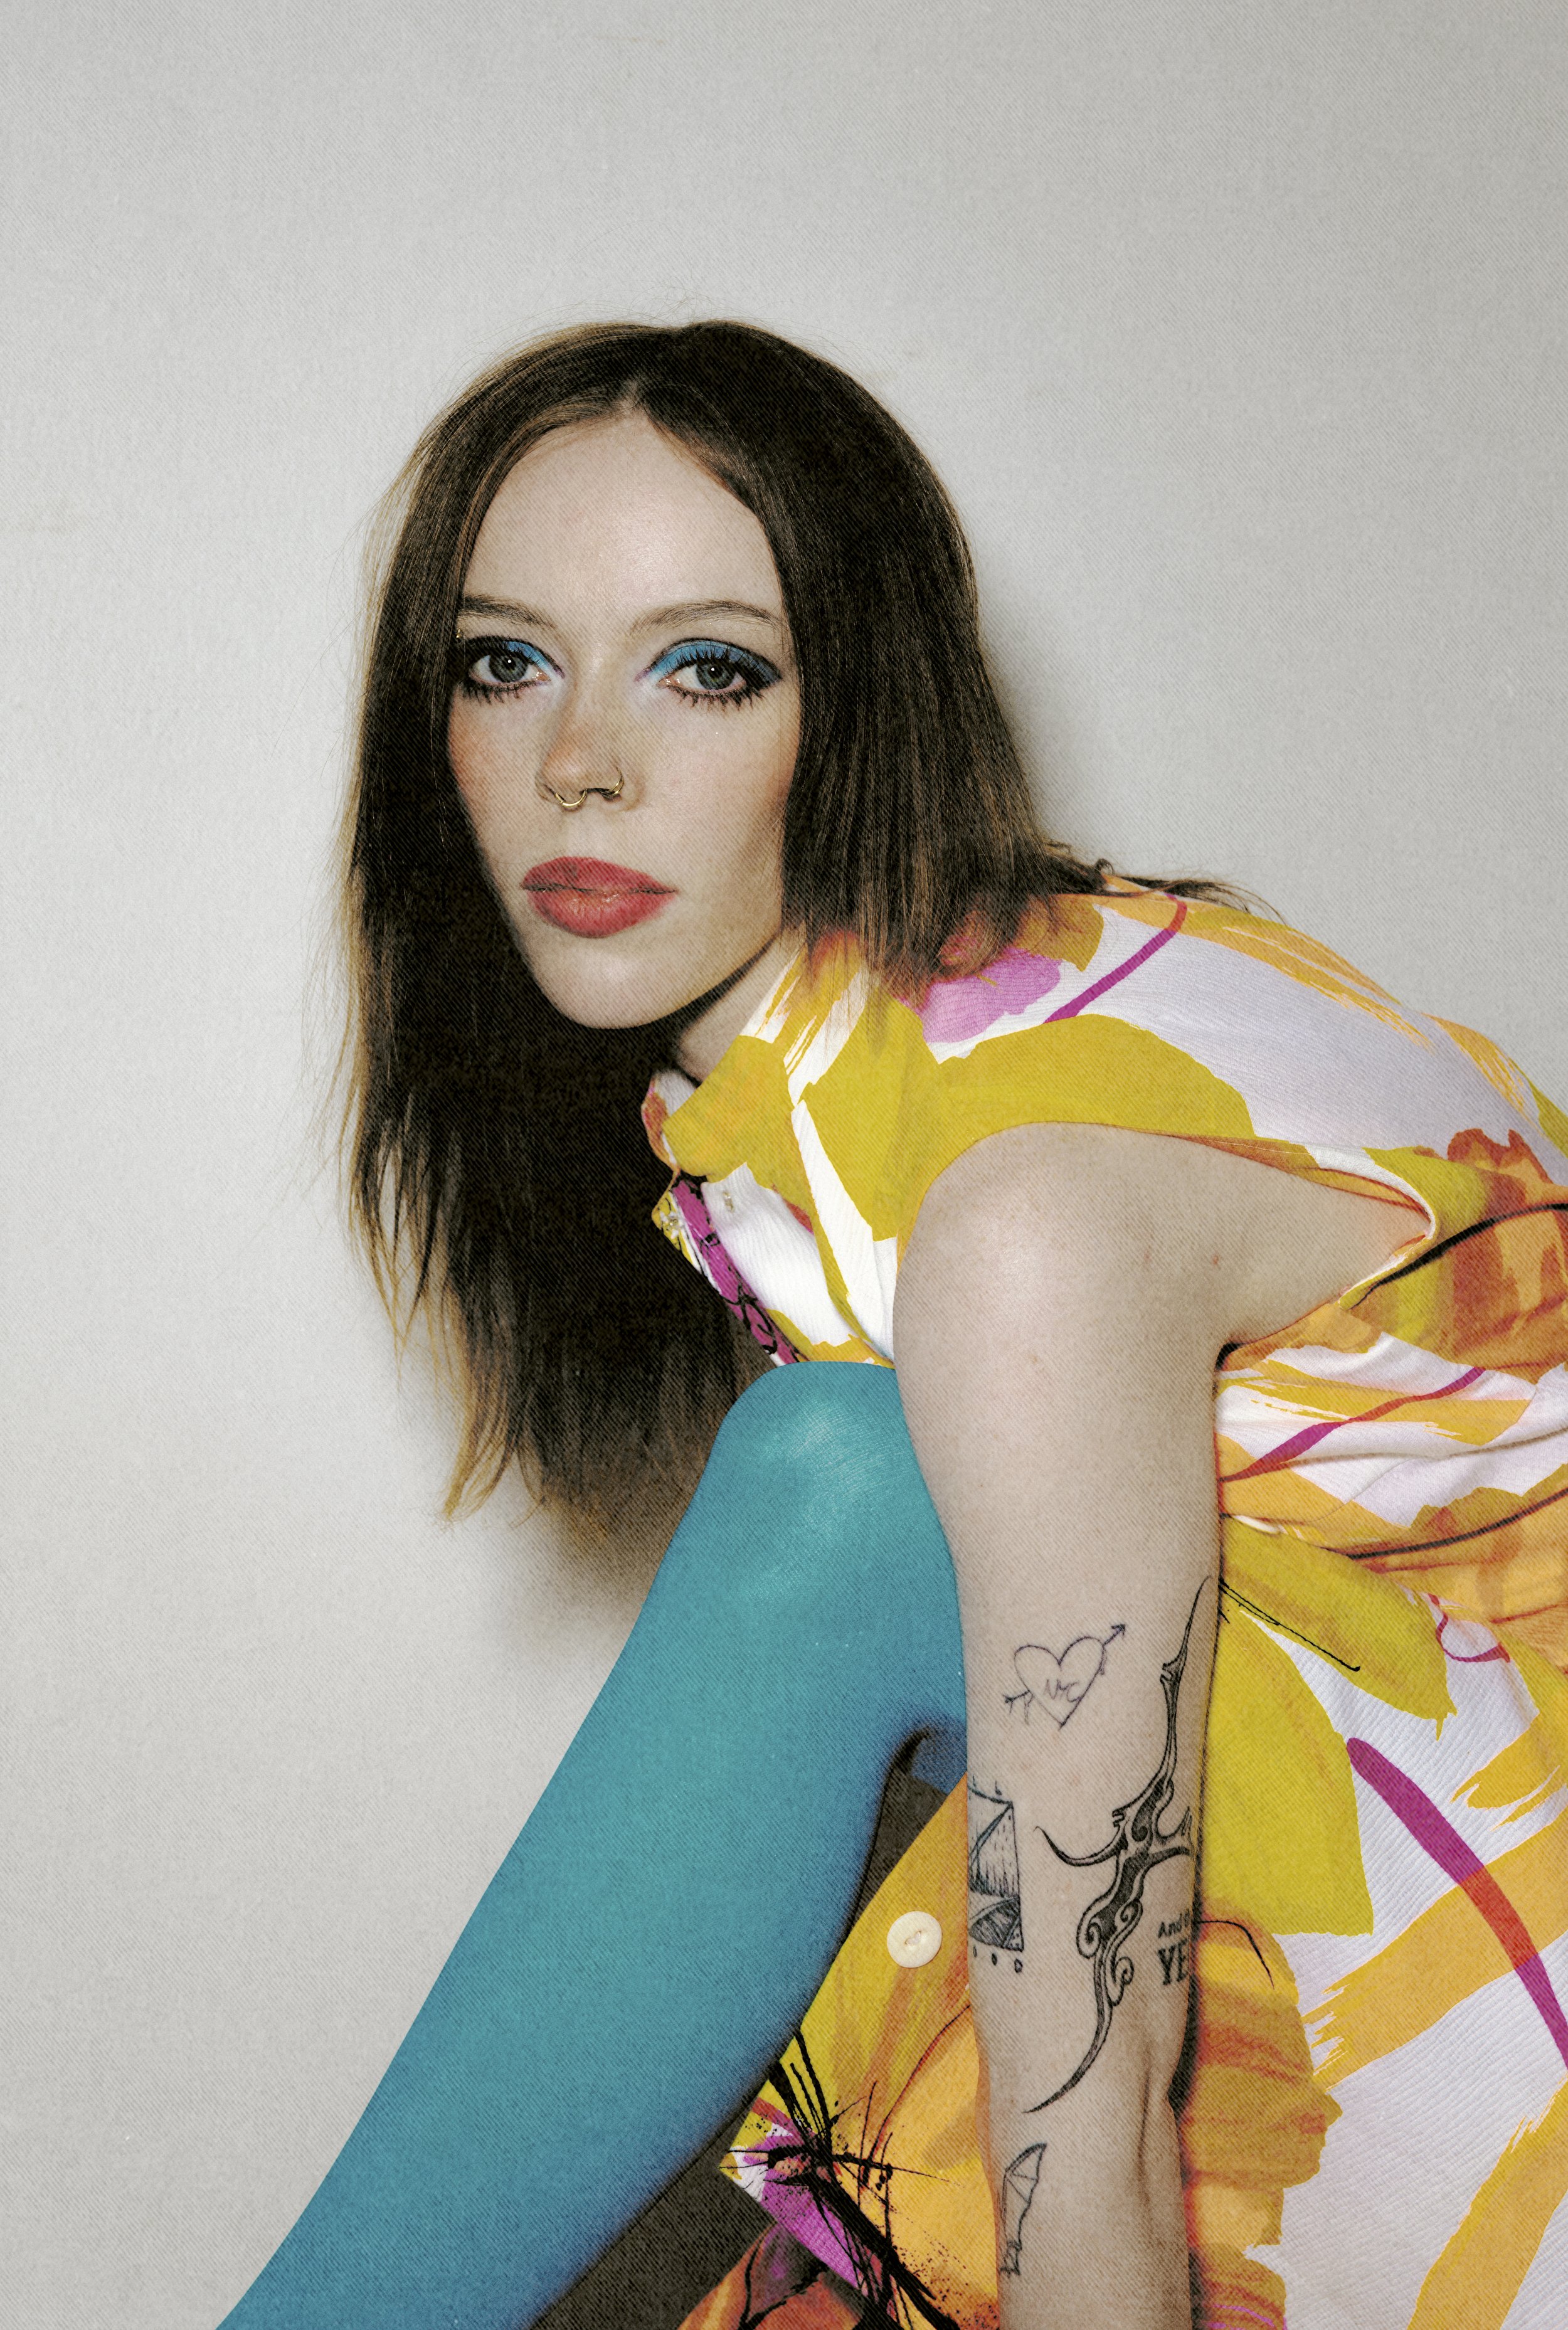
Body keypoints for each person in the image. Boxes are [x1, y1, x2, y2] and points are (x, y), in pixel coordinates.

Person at [218, 322, 1568, 2330]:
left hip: (1486, 1997)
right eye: (503, 663)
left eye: (707, 667)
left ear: (859, 700)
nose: (580, 758)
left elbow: (1091, 2119)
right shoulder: (894, 1069)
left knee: (840, 1490)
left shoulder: (1018, 1192)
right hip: (1377, 1917)